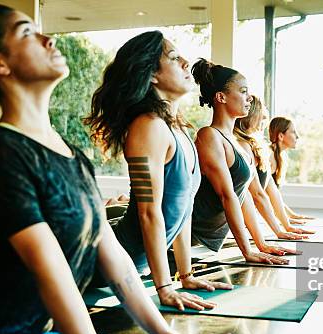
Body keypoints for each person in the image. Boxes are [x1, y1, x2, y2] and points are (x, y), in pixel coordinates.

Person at [0, 6, 229, 334]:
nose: (48, 39)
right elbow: (49, 270)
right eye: (26, 33)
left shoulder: (71, 155)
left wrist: (166, 333)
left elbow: (115, 259)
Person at [85, 32, 232, 312]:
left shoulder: (178, 130)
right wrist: (164, 288)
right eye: (175, 58)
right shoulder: (148, 126)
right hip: (99, 261)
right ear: (152, 74)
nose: (187, 63)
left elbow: (184, 208)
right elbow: (147, 211)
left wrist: (185, 276)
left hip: (130, 265)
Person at [190, 58, 297, 264]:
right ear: (221, 97)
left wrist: (261, 244)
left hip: (202, 244)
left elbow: (244, 196)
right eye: (243, 91)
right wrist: (247, 251)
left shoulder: (237, 143)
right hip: (188, 236)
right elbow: (227, 196)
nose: (249, 98)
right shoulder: (209, 136)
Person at [233, 96, 314, 236]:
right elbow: (257, 194)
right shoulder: (253, 149)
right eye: (262, 118)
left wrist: (287, 224)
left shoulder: (261, 150)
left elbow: (271, 191)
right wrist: (279, 230)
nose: (265, 124)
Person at [269, 116, 315, 223]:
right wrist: (286, 221)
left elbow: (273, 195)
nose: (297, 136)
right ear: (281, 136)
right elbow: (265, 195)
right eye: (293, 132)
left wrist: (292, 215)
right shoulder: (269, 157)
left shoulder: (280, 156)